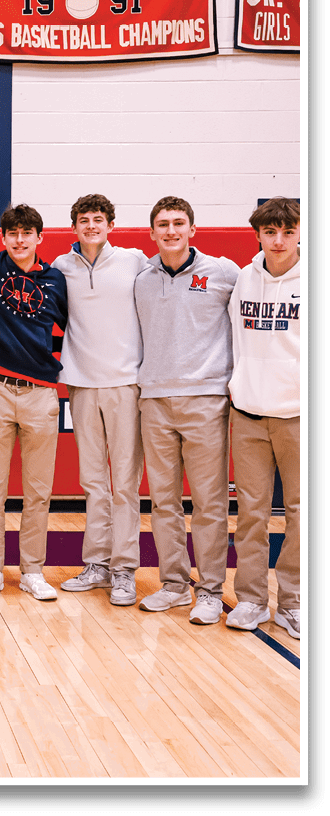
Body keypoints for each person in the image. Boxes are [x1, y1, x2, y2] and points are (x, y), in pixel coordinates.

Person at [134, 196, 239, 624]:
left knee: (210, 502)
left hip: (206, 400)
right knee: (163, 502)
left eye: (179, 223)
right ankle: (175, 585)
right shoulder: (142, 279)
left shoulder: (224, 273)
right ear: (153, 232)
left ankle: (211, 590)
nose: (171, 231)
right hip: (155, 400)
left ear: (192, 229)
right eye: (163, 224)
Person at [0, 204, 68, 602]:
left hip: (41, 393)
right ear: (3, 237)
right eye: (13, 233)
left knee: (38, 491)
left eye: (28, 232)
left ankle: (32, 571)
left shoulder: (56, 280)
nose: (20, 239)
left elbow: (77, 326)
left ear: (40, 238)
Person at [52, 195, 149, 607]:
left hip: (126, 384)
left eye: (98, 219)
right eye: (83, 220)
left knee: (125, 483)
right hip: (80, 384)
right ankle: (97, 564)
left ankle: (124, 569)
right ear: (74, 226)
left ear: (110, 224)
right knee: (93, 482)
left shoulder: (134, 261)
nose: (91, 226)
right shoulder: (61, 267)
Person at [226, 197, 301, 638]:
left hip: (297, 416)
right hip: (249, 415)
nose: (278, 240)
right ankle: (252, 600)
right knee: (252, 514)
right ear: (258, 234)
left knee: (300, 513)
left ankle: (292, 603)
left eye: (287, 232)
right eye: (270, 231)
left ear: (299, 234)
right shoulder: (243, 279)